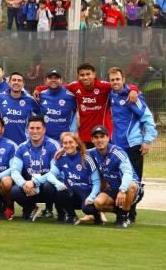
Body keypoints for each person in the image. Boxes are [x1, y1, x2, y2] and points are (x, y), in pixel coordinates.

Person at [107, 67, 157, 223]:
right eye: (112, 80)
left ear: (123, 79)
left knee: (134, 182)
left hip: (133, 146)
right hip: (116, 147)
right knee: (118, 180)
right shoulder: (111, 94)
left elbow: (148, 118)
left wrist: (147, 140)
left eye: (118, 79)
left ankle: (131, 214)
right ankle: (121, 212)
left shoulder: (133, 97)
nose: (115, 82)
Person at [89, 126, 143, 228]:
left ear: (108, 138)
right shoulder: (93, 152)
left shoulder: (117, 152)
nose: (99, 140)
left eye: (102, 136)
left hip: (131, 188)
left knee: (131, 185)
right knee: (98, 203)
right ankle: (121, 212)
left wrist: (122, 190)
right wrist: (63, 150)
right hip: (114, 189)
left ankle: (123, 216)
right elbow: (78, 152)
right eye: (96, 137)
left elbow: (128, 173)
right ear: (92, 140)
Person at [9, 117, 62, 222]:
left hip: (45, 185)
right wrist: (23, 184)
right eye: (32, 128)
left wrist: (35, 182)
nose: (35, 131)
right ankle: (30, 208)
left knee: (49, 186)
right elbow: (14, 171)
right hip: (29, 188)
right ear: (27, 130)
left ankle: (57, 211)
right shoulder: (21, 147)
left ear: (44, 130)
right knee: (15, 190)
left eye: (38, 128)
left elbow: (54, 172)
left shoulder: (53, 145)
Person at [45, 132, 102, 225]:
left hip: (86, 193)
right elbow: (50, 175)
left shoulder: (86, 158)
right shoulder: (61, 158)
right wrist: (58, 183)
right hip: (71, 193)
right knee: (53, 188)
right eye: (65, 143)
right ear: (62, 145)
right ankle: (71, 216)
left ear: (76, 143)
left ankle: (97, 216)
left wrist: (91, 197)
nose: (68, 145)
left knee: (88, 209)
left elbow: (97, 182)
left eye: (71, 142)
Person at [0, 72, 42, 144]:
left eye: (19, 80)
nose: (16, 82)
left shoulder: (30, 100)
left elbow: (40, 115)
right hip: (4, 144)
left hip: (23, 143)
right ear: (9, 83)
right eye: (14, 80)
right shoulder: (1, 97)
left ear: (23, 84)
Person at [33, 68, 77, 141]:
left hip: (64, 140)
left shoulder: (71, 96)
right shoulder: (40, 95)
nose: (53, 80)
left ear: (61, 80)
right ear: (46, 81)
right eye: (50, 78)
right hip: (45, 140)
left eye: (56, 78)